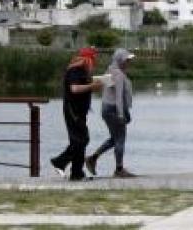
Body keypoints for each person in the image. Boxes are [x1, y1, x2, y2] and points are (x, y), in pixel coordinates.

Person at [51, 47, 102, 181]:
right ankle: (60, 161)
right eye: (93, 59)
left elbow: (82, 88)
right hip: (72, 110)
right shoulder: (75, 70)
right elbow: (74, 89)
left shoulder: (83, 72)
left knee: (79, 140)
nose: (94, 63)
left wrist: (94, 85)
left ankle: (77, 173)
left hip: (79, 111)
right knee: (81, 139)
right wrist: (92, 86)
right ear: (87, 59)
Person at [86, 48, 137, 178]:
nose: (129, 62)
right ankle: (119, 169)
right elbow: (119, 96)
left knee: (115, 138)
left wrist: (125, 112)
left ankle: (93, 158)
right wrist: (121, 114)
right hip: (114, 108)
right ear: (120, 60)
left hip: (106, 108)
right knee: (120, 139)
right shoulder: (118, 75)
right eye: (127, 60)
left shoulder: (110, 70)